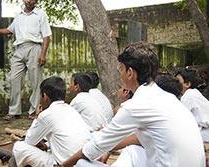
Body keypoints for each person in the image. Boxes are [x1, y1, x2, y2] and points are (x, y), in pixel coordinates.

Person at [58, 41, 205, 167]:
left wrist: (65, 164)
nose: (120, 74)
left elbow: (94, 147)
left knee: (80, 163)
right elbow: (136, 138)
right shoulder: (166, 98)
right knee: (133, 151)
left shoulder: (136, 105)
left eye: (121, 69)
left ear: (130, 72)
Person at [0, 0, 52, 120]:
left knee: (36, 82)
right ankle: (14, 111)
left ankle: (33, 111)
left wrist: (43, 54)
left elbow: (46, 36)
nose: (29, 1)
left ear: (35, 1)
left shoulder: (40, 15)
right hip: (19, 49)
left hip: (34, 48)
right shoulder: (18, 16)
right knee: (15, 80)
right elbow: (9, 30)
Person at [12, 76, 91, 166]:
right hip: (82, 162)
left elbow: (29, 141)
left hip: (63, 164)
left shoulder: (46, 114)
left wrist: (37, 116)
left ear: (45, 96)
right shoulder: (71, 110)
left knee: (19, 147)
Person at [175, 67, 209, 142]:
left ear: (187, 84)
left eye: (177, 81)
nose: (174, 84)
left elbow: (179, 119)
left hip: (204, 134)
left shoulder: (189, 95)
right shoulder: (193, 94)